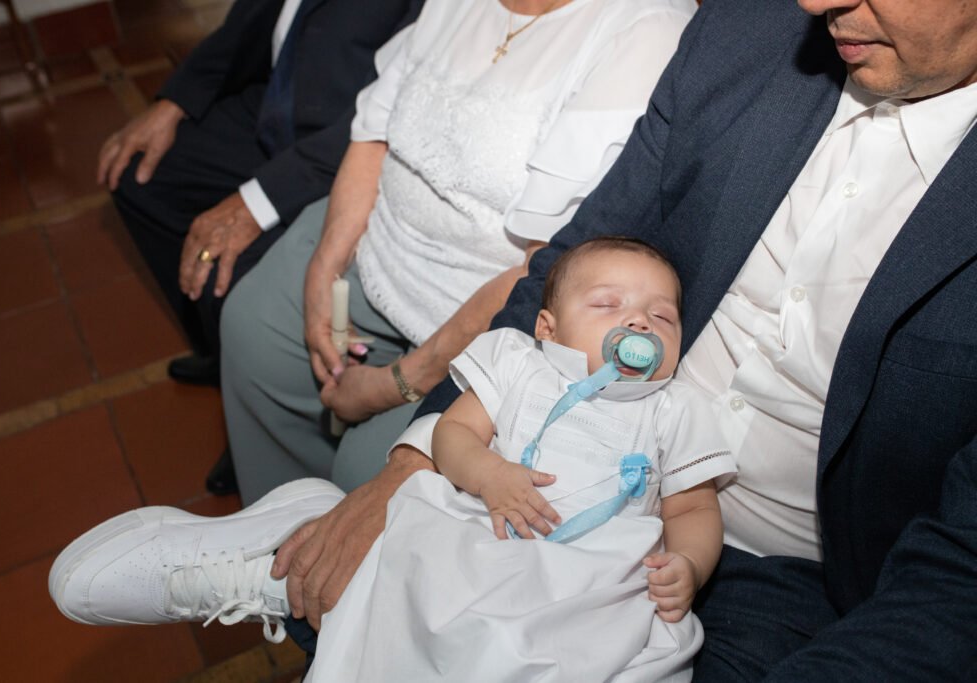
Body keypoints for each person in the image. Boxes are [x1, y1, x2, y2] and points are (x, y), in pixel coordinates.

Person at [258, 0, 975, 679]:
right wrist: (412, 466)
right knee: (367, 607)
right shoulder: (746, 34)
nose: (814, 4)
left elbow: (958, 575)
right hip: (564, 465)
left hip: (791, 576)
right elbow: (574, 263)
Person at [50, 238, 737, 683]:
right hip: (481, 539)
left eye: (662, 316)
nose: (638, 323)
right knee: (416, 600)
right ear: (547, 327)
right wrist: (488, 473)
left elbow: (693, 508)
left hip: (595, 590)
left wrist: (689, 563)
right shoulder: (521, 364)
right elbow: (453, 436)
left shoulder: (673, 408)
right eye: (608, 304)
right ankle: (288, 568)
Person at [221, 0, 698, 501]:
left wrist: (393, 385)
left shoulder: (643, 32)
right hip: (381, 243)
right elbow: (373, 134)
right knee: (254, 330)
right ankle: (280, 527)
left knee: (370, 473)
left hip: (487, 320)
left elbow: (544, 268)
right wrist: (326, 267)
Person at [100, 0, 423, 388]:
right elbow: (254, 11)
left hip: (343, 141)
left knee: (227, 275)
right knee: (138, 176)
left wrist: (256, 203)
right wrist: (177, 100)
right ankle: (218, 350)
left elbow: (397, 98)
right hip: (276, 100)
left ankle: (250, 377)